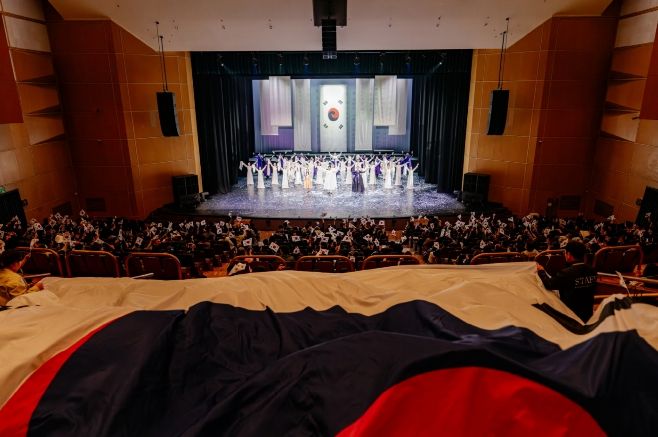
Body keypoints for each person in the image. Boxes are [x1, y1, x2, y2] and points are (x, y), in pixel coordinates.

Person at [537, 241, 597, 323]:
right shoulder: (592, 270)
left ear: (568, 254)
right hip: (588, 314)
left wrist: (541, 271)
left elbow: (549, 284)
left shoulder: (566, 273)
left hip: (570, 316)